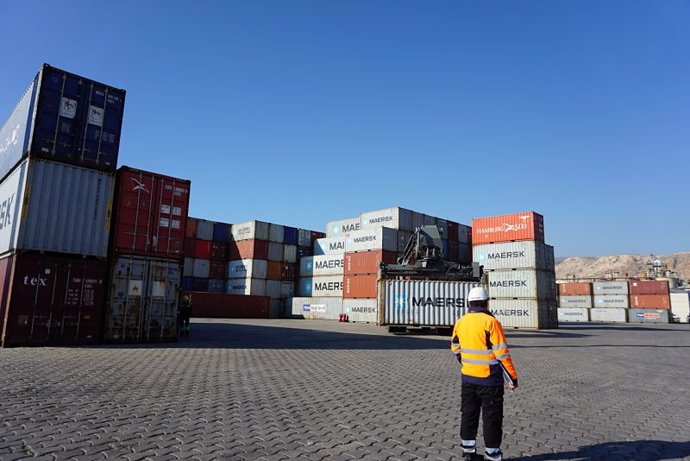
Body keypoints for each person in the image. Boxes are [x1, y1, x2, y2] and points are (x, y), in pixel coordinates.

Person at [450, 287, 518, 461]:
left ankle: (468, 452)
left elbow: (455, 347)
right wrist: (512, 378)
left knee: (468, 414)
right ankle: (493, 455)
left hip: (468, 379)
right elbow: (502, 354)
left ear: (469, 303)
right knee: (492, 418)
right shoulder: (491, 322)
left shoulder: (461, 321)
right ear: (486, 302)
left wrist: (465, 363)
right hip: (490, 382)